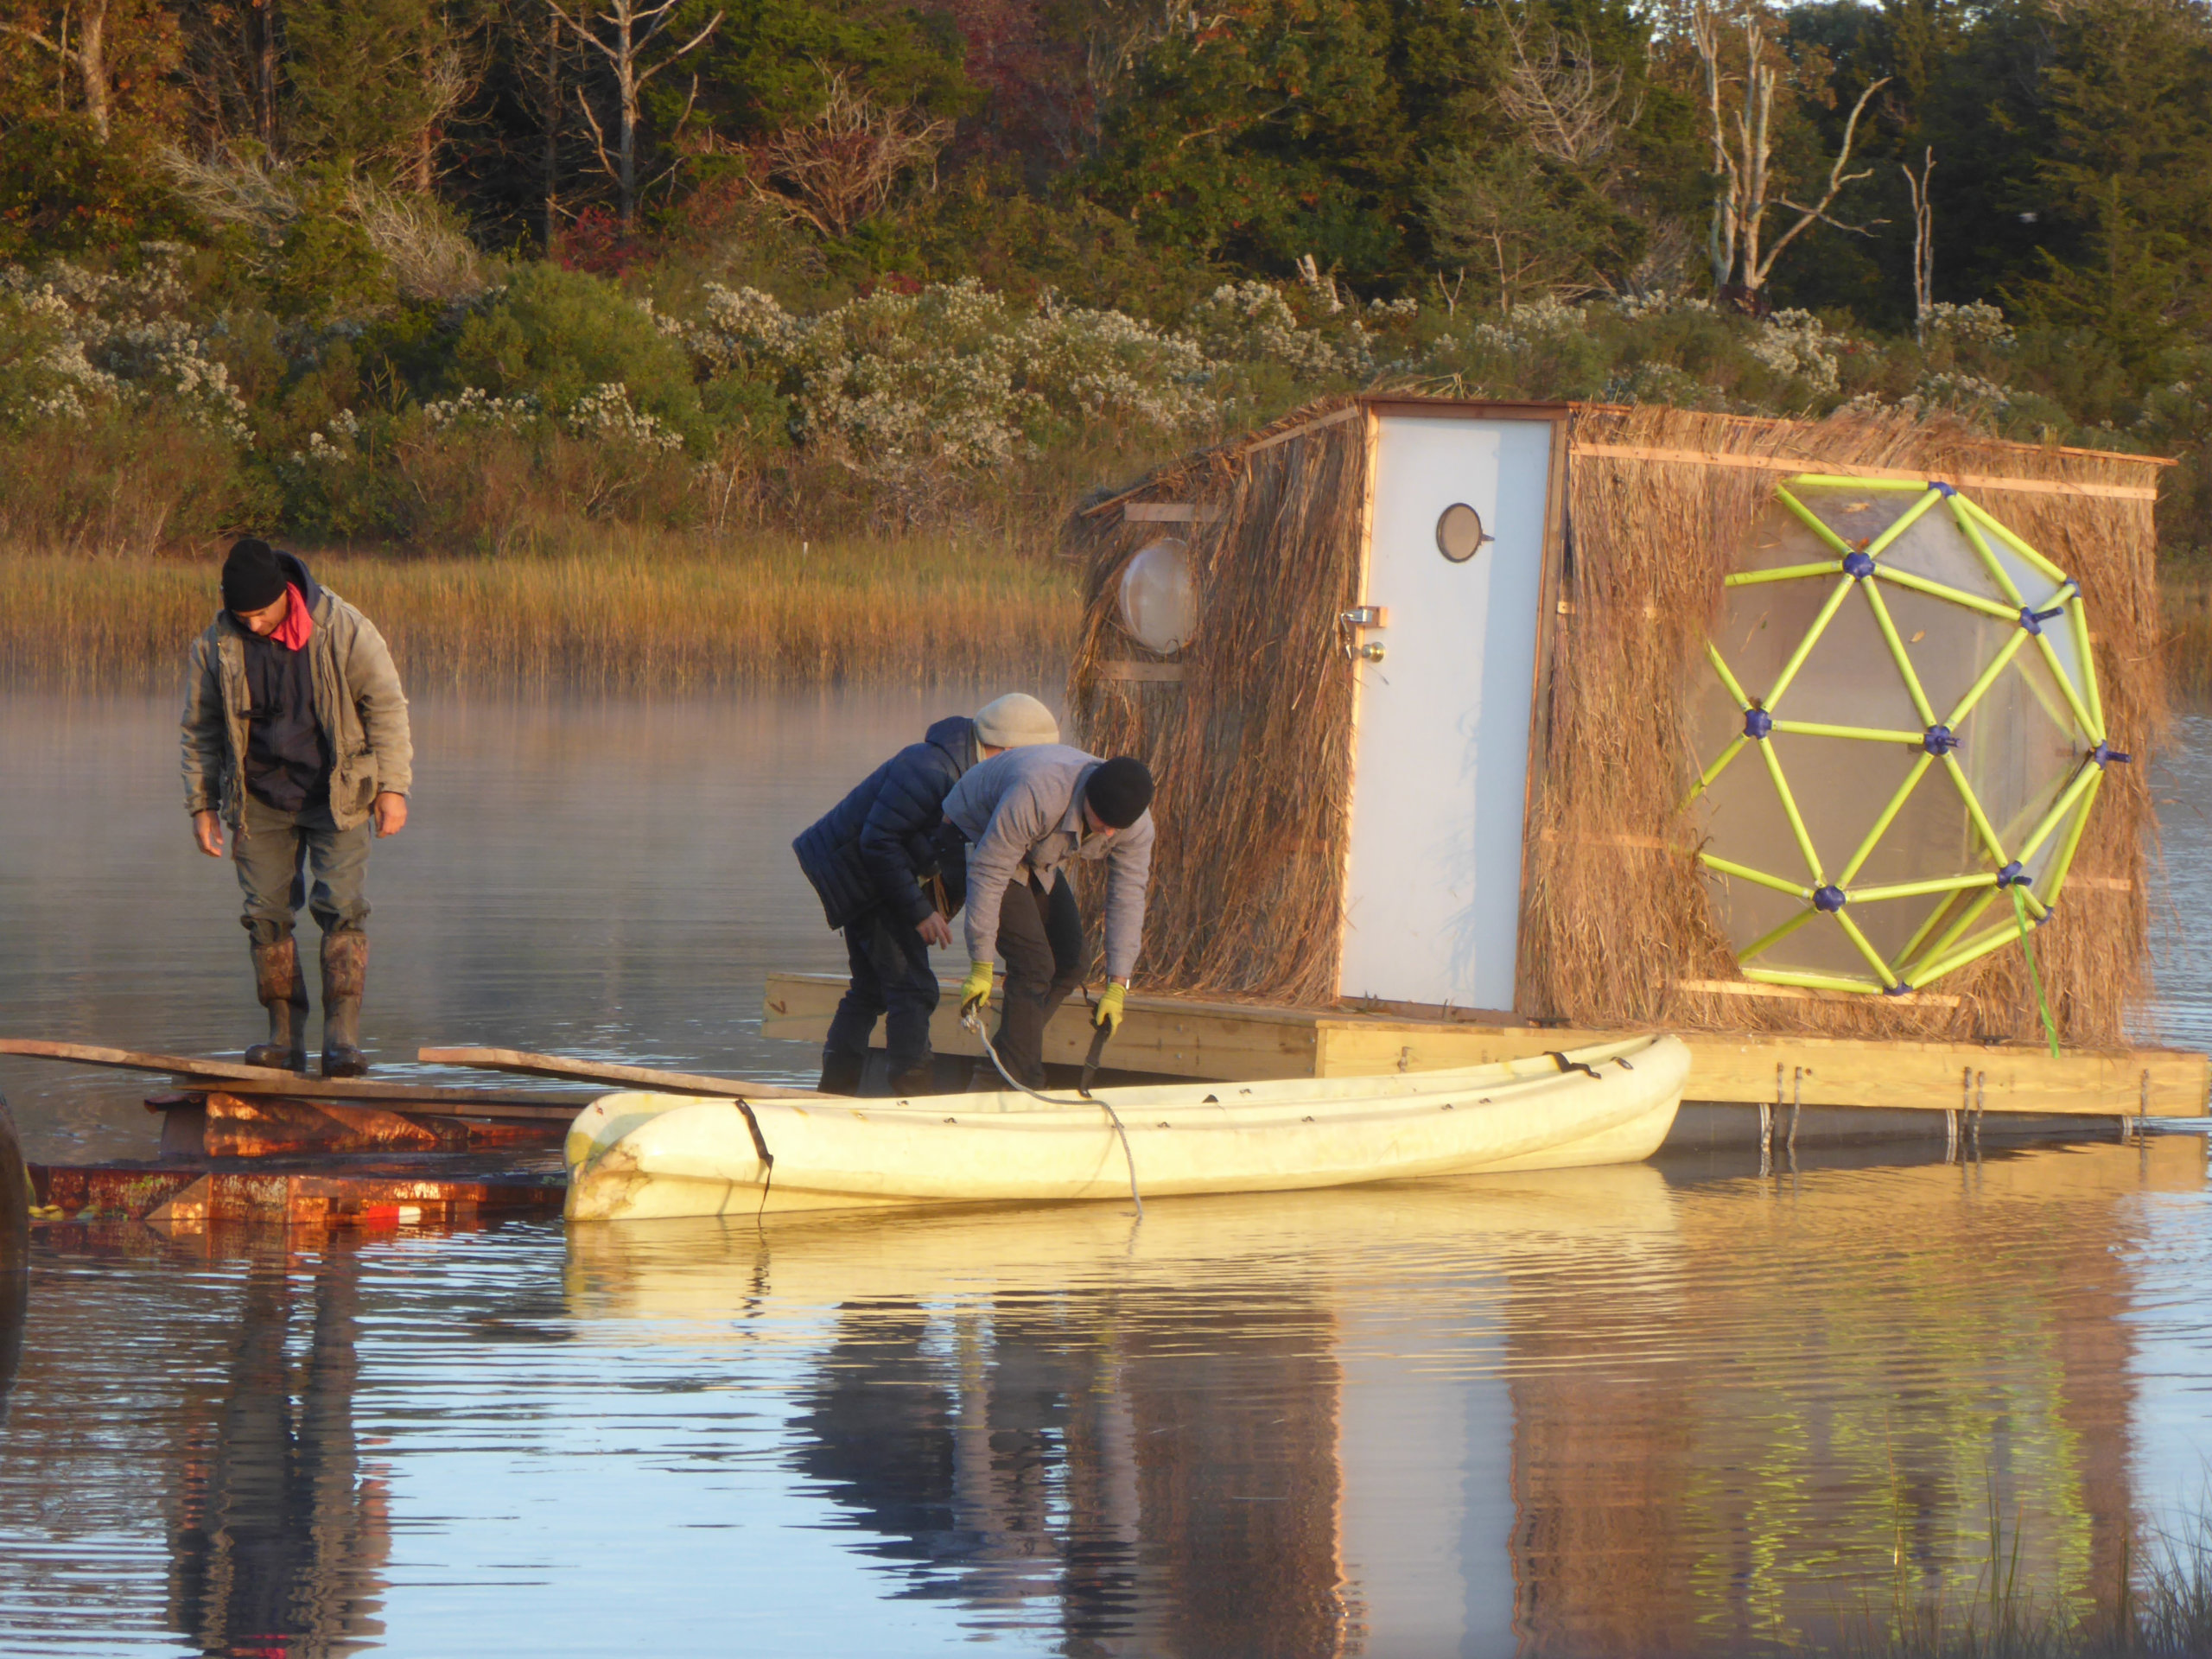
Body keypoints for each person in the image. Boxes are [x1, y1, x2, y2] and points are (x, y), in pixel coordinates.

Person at [181, 537, 412, 1077]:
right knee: (264, 916)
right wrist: (202, 805)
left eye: (260, 614)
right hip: (257, 797)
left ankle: (342, 1041)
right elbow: (200, 729)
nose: (253, 625)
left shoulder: (346, 627)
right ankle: (283, 1040)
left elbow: (387, 708)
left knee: (341, 908)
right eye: (243, 616)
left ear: (284, 596)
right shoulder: (215, 644)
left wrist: (393, 788)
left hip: (338, 792)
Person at [795, 693, 1061, 1096]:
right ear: (1007, 749)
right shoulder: (929, 768)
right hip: (862, 876)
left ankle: (835, 1091)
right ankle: (911, 1097)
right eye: (1030, 758)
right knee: (913, 989)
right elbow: (878, 843)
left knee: (869, 989)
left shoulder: (973, 772)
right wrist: (920, 912)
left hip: (880, 873)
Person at [943, 746, 1155, 1090]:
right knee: (1033, 964)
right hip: (973, 833)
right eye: (1104, 823)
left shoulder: (1133, 825)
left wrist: (1119, 984)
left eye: (1119, 827)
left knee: (1072, 962)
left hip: (1036, 852)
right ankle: (1022, 1082)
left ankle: (1001, 1066)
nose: (1110, 835)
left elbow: (1128, 897)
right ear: (1088, 799)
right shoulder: (1039, 793)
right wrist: (980, 964)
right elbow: (990, 869)